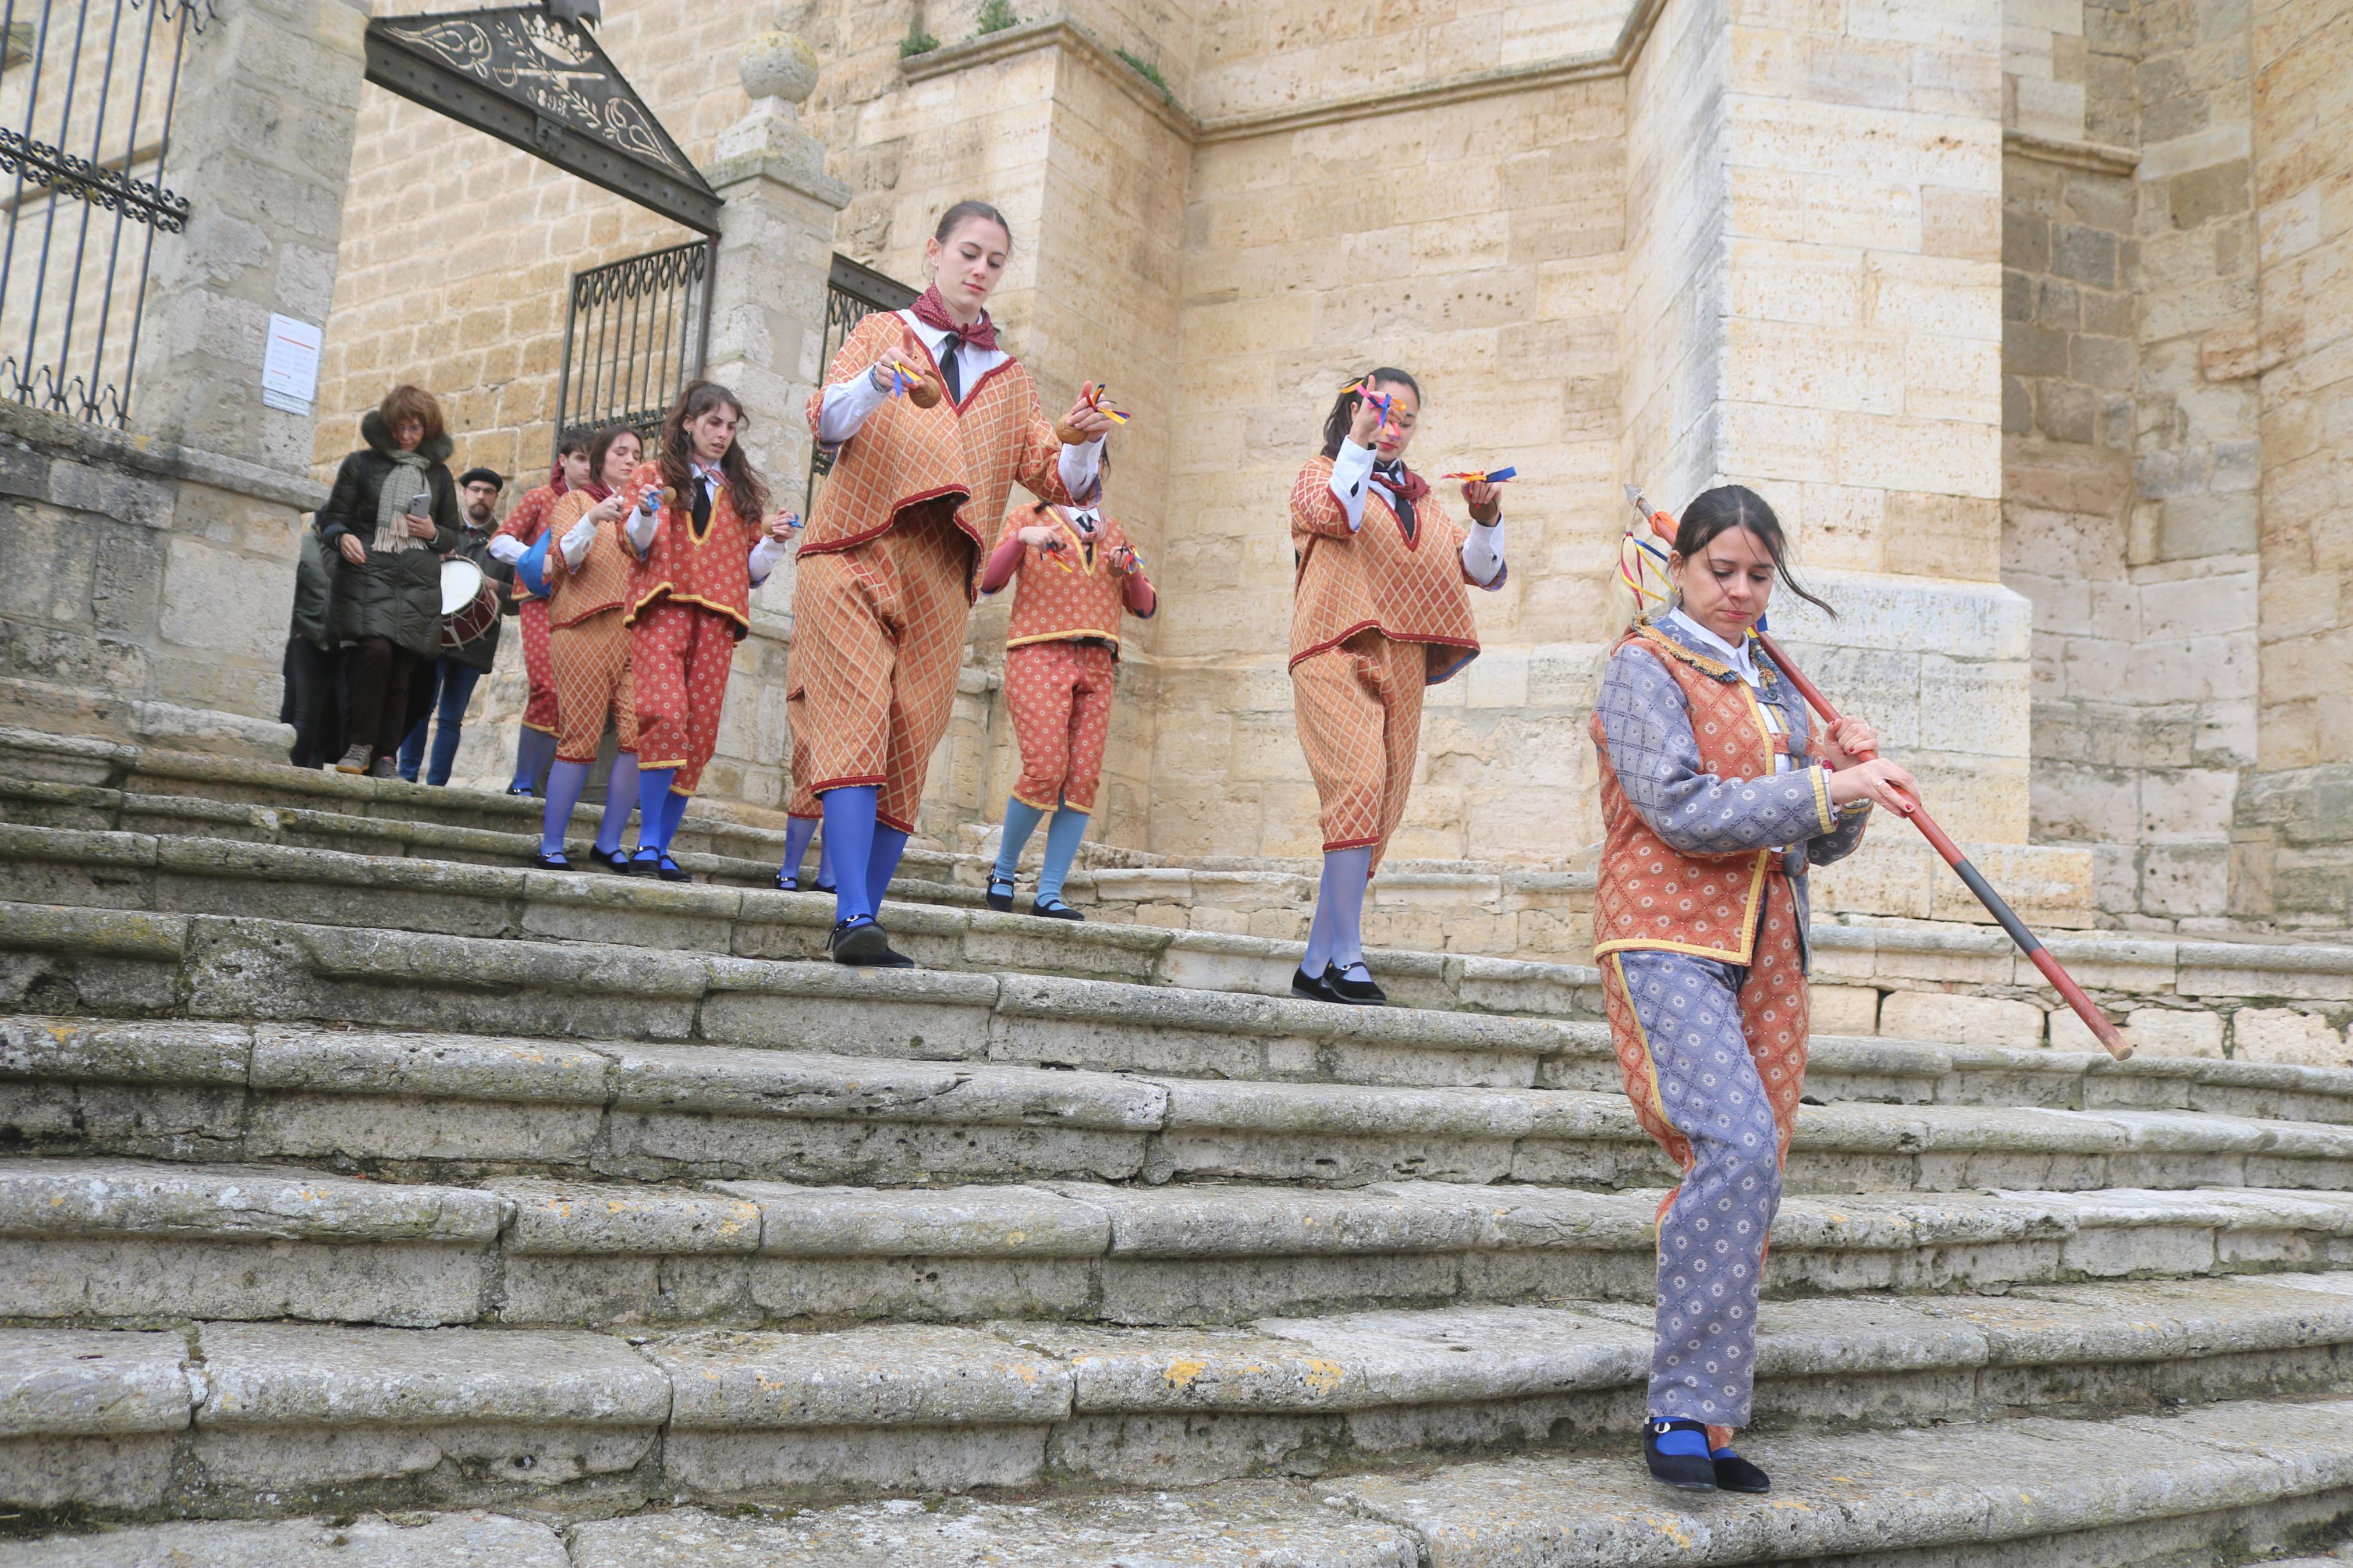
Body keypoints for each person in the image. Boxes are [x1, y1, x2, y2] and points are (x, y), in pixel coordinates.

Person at [1589, 485, 1908, 1496]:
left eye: (1757, 575)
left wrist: (1838, 774)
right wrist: (1823, 786)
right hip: (1664, 933)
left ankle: (1712, 1417)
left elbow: (1813, 836)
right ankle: (1677, 1406)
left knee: (1757, 1166)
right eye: (1719, 571)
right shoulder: (1637, 669)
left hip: (1768, 943)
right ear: (1678, 566)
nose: (1737, 590)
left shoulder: (1768, 684)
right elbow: (1679, 808)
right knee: (1730, 1142)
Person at [795, 198, 1114, 966]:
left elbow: (1051, 474)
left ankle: (863, 916)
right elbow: (825, 420)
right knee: (858, 713)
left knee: (912, 731)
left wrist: (1078, 440)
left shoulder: (1008, 378)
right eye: (968, 253)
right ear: (932, 251)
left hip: (944, 568)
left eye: (994, 261)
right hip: (852, 546)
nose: (979, 270)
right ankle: (851, 912)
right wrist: (875, 381)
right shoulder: (880, 333)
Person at [1286, 370, 1507, 1005]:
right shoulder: (1316, 473)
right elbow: (1335, 513)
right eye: (1382, 410)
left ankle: (1314, 962)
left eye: (1405, 418)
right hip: (1335, 644)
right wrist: (1356, 442)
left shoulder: (1427, 502)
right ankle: (1348, 958)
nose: (1394, 425)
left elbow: (1476, 570)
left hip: (1406, 653)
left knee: (1382, 805)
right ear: (1356, 407)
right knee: (1355, 784)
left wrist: (1486, 518)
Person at [619, 382, 798, 880]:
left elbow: (752, 569)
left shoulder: (741, 493)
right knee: (663, 712)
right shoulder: (652, 476)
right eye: (714, 423)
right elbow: (634, 543)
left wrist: (776, 542)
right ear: (688, 422)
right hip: (663, 605)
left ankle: (659, 843)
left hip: (719, 615)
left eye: (730, 427)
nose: (722, 435)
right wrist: (645, 511)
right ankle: (649, 841)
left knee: (698, 734)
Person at [979, 496, 1155, 918]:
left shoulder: (1114, 529)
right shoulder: (1028, 516)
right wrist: (1022, 538)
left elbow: (1145, 607)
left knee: (1082, 778)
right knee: (1044, 767)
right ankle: (1003, 870)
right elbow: (989, 582)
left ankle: (1049, 892)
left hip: (1098, 659)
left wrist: (1128, 568)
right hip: (1037, 652)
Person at [313, 385, 460, 777]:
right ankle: (360, 744)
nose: (406, 436)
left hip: (416, 582)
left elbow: (451, 534)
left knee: (401, 670)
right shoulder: (360, 464)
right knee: (375, 653)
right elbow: (331, 519)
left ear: (428, 430)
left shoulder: (439, 475)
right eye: (400, 427)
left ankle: (385, 756)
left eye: (415, 428)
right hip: (368, 574)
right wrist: (342, 538)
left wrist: (432, 531)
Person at [527, 425, 646, 871]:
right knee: (580, 736)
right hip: (582, 627)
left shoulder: (640, 507)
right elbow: (566, 556)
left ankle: (609, 841)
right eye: (621, 451)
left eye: (636, 453)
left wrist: (647, 516)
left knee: (639, 738)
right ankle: (551, 844)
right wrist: (595, 517)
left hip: (633, 630)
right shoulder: (574, 502)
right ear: (600, 459)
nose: (631, 459)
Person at [487, 428, 590, 796]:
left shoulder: (603, 507)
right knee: (547, 686)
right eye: (580, 458)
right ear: (563, 462)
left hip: (585, 606)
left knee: (573, 697)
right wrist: (541, 560)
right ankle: (523, 784)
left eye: (593, 460)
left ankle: (544, 785)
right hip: (539, 599)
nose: (587, 467)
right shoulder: (540, 497)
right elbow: (498, 542)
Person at [398, 467, 510, 785]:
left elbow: (519, 598)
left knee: (451, 720)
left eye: (488, 492)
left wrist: (494, 586)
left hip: (476, 643)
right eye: (475, 489)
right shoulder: (443, 531)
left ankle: (437, 787)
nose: (481, 496)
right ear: (465, 493)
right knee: (420, 708)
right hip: (434, 635)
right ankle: (406, 778)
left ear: (495, 498)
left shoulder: (505, 542)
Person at [282, 528, 344, 769]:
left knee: (333, 713)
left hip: (341, 642)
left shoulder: (350, 546)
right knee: (305, 710)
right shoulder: (302, 544)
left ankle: (317, 769)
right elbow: (288, 589)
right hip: (307, 637)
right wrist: (296, 628)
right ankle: (297, 772)